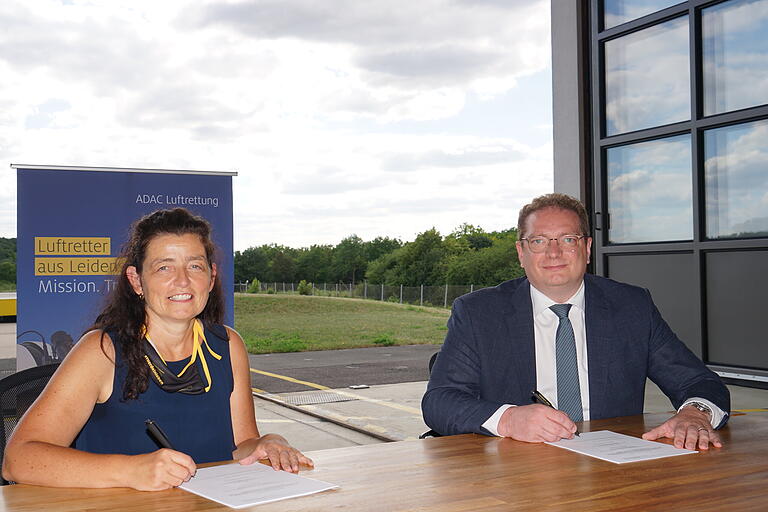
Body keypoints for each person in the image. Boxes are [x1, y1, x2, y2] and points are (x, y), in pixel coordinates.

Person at [3, 208, 313, 490]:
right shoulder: (102, 351)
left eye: (195, 266)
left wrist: (265, 444)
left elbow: (242, 443)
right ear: (136, 281)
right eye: (164, 268)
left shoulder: (229, 346)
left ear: (211, 277)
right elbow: (18, 460)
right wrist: (131, 471)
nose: (183, 281)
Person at [422, 193, 730, 451]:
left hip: (613, 468)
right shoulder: (478, 313)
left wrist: (696, 413)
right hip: (515, 470)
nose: (554, 252)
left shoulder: (631, 307)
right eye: (539, 241)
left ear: (587, 249)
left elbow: (698, 382)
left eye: (568, 239)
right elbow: (440, 401)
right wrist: (508, 419)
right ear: (521, 252)